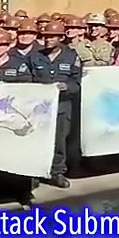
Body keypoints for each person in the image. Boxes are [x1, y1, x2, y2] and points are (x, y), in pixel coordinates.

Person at [41, 21, 81, 188]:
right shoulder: (37, 56)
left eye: (52, 36)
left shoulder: (71, 56)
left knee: (59, 141)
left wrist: (67, 87)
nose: (48, 39)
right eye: (46, 36)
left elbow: (76, 82)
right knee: (39, 139)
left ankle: (57, 172)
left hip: (62, 106)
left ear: (61, 38)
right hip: (40, 107)